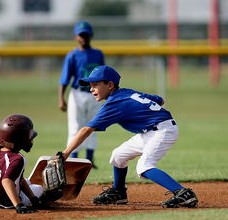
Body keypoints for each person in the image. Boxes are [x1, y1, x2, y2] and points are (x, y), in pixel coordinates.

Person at [61, 65, 198, 208]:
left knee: (144, 167)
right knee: (118, 156)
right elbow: (159, 100)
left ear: (110, 85)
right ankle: (118, 193)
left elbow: (86, 130)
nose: (91, 89)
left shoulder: (114, 103)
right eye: (90, 85)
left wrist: (65, 153)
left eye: (95, 85)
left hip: (162, 130)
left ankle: (183, 193)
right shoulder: (126, 93)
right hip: (150, 131)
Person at [58, 21, 105, 169]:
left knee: (93, 125)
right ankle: (73, 160)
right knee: (75, 127)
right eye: (81, 35)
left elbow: (103, 75)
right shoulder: (72, 55)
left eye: (86, 34)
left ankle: (89, 160)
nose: (83, 37)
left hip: (95, 94)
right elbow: (65, 78)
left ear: (91, 35)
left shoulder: (98, 54)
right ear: (76, 37)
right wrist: (61, 98)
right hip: (77, 93)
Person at [0, 114, 44, 214]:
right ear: (20, 139)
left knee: (26, 181)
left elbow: (17, 177)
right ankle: (42, 197)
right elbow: (6, 181)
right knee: (39, 188)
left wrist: (33, 198)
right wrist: (19, 205)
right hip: (8, 202)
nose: (31, 140)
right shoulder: (17, 159)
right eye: (29, 137)